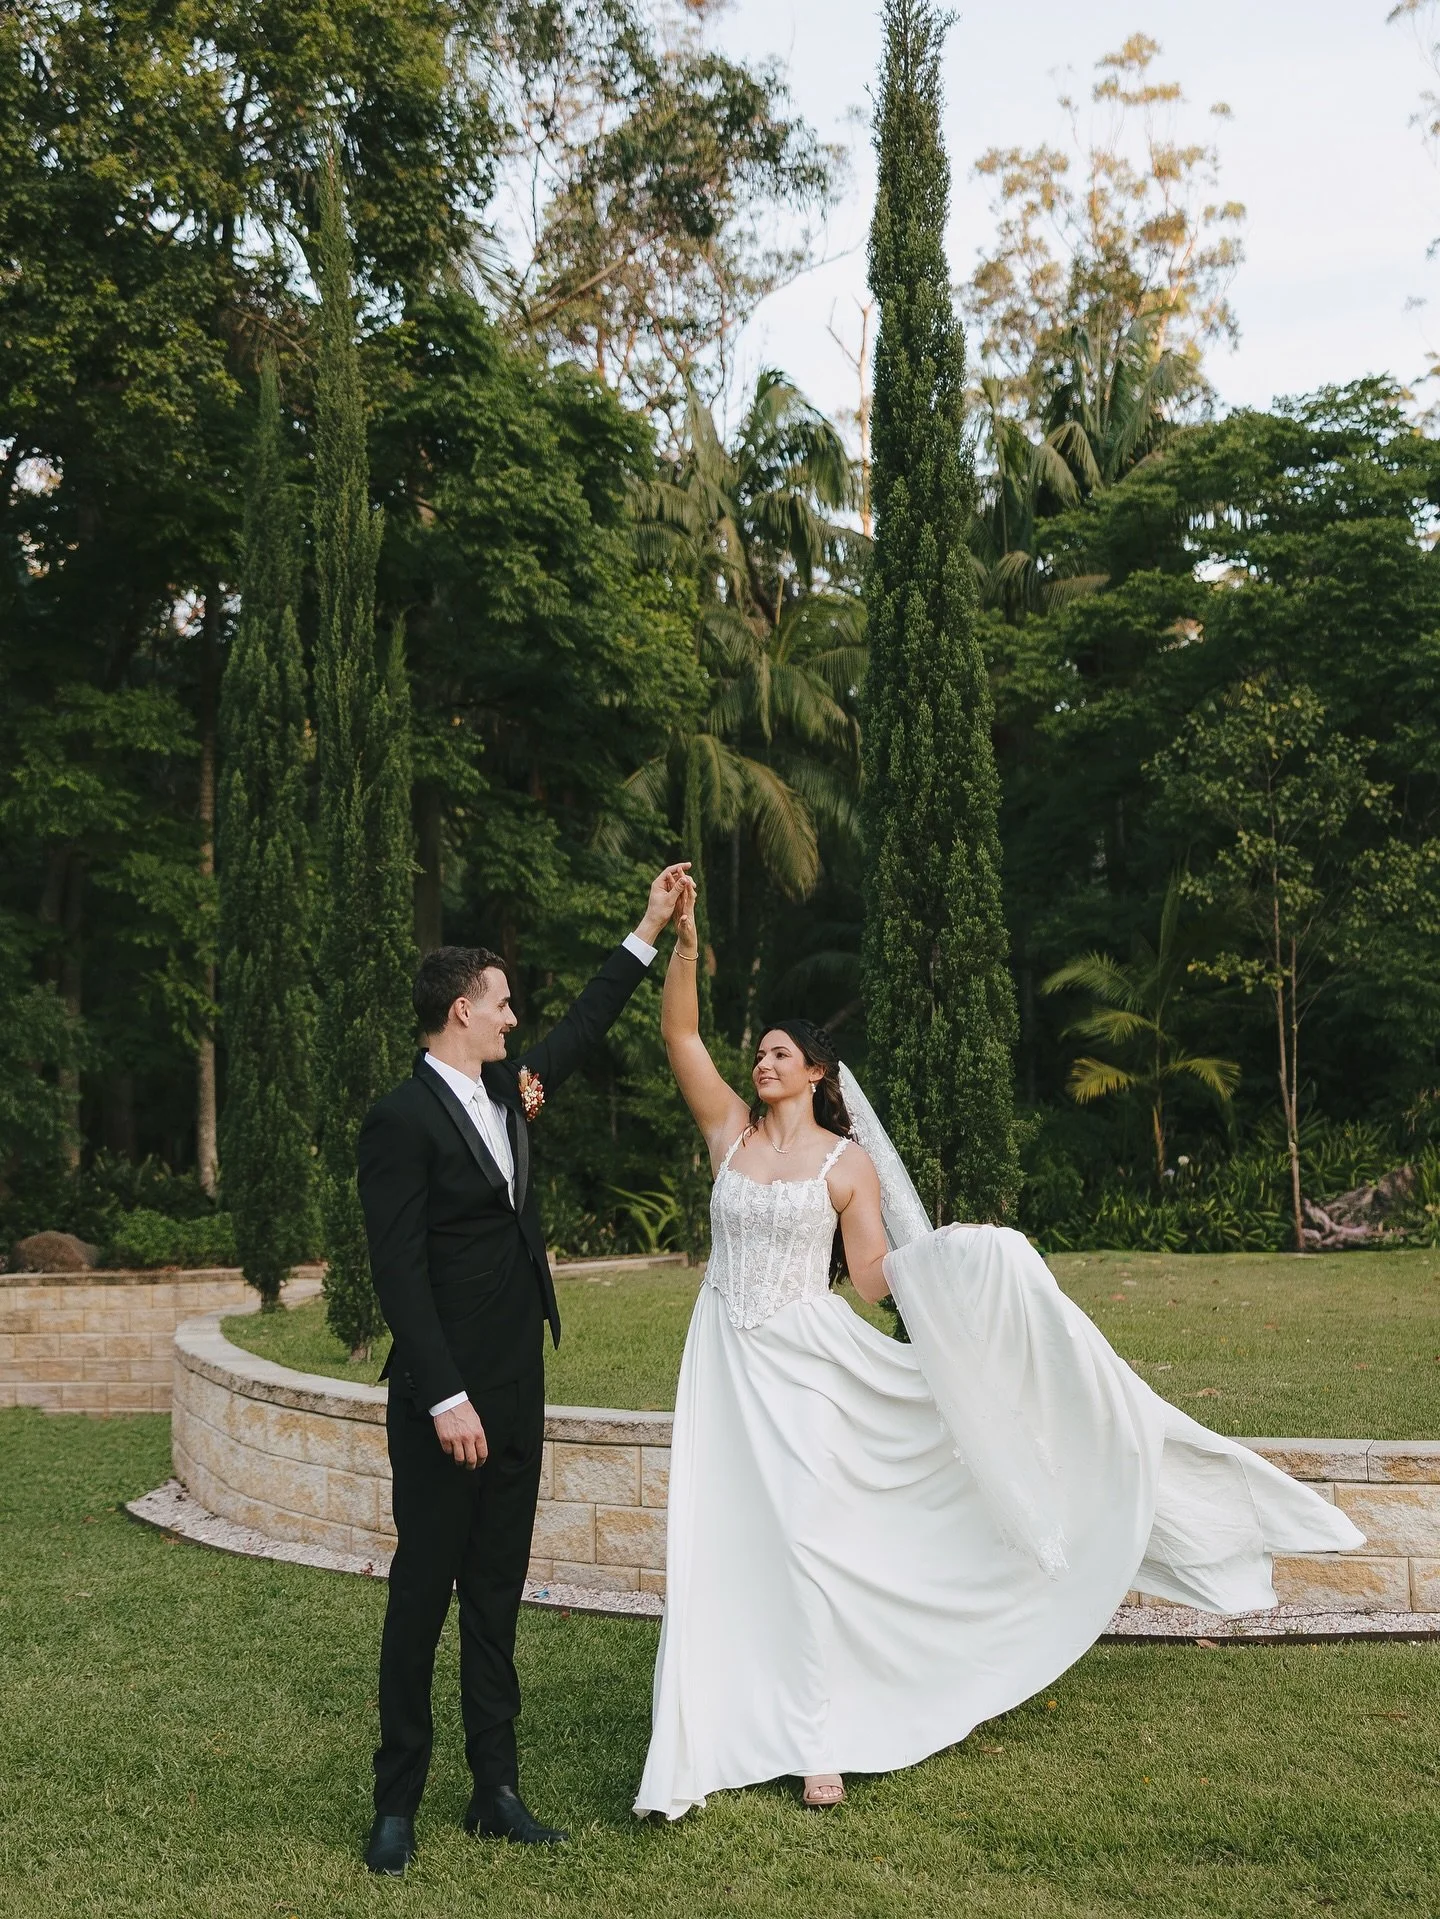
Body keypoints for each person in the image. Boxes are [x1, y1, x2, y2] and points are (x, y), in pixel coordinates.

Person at [634, 875, 1365, 1821]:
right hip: (722, 1362)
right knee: (722, 1536)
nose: (762, 1060)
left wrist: (968, 1260)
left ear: (819, 1071)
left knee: (810, 1538)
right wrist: (683, 936)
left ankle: (818, 1739)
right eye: (761, 1051)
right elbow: (680, 1037)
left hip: (807, 1365)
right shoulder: (728, 1134)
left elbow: (870, 1280)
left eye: (780, 1052)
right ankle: (716, 1720)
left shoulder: (845, 1164)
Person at [356, 863, 689, 1876]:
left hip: (516, 1384)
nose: (516, 1016)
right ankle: (396, 1801)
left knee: (497, 1588)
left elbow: (583, 1028)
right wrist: (445, 1392)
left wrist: (649, 924)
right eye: (503, 1002)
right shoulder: (400, 1120)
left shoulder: (508, 1088)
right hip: (442, 1396)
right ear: (463, 1010)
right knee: (424, 1590)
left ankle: (495, 1788)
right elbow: (397, 1270)